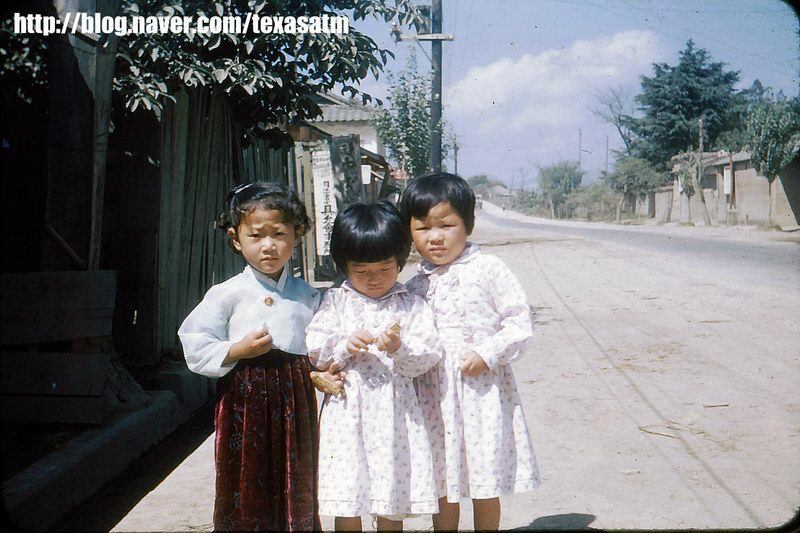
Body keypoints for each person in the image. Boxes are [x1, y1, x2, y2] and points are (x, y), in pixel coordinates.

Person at [399, 173, 541, 532]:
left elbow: (519, 323)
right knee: (442, 478)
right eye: (422, 228)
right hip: (434, 396)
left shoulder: (489, 269)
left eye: (446, 225)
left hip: (481, 394)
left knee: (483, 476)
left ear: (468, 224)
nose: (435, 237)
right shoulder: (414, 286)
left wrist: (487, 352)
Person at [178, 182, 321, 531]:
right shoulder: (227, 293)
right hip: (244, 395)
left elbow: (324, 341)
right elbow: (194, 339)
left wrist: (326, 367)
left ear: (297, 234)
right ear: (236, 238)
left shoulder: (308, 295)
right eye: (256, 235)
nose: (268, 245)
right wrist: (236, 350)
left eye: (279, 234)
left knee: (296, 470)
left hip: (295, 394)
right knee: (246, 472)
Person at [305, 200, 443, 532]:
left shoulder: (411, 305)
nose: (374, 279)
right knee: (349, 493)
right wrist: (344, 346)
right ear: (344, 265)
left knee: (391, 496)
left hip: (396, 414)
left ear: (400, 260)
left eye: (385, 268)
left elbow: (428, 354)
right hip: (348, 413)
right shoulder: (335, 301)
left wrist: (399, 348)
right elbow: (316, 348)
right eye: (362, 271)